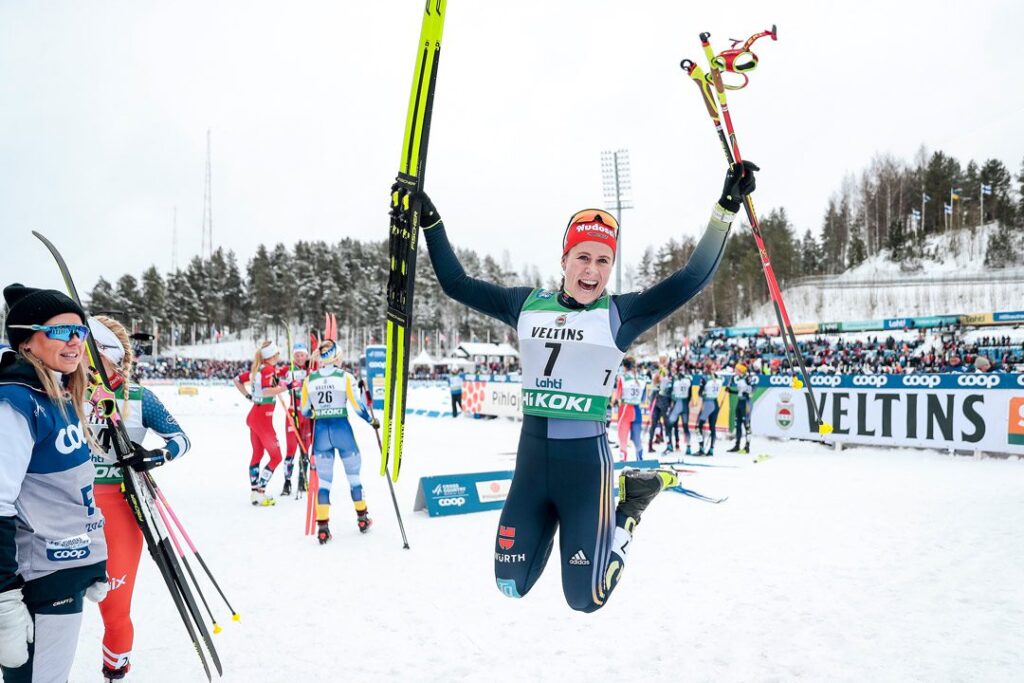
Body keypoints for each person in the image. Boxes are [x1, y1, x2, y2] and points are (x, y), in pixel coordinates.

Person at [414, 159, 756, 611]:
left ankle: (632, 506)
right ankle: (559, 526)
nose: (592, 271)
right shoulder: (526, 304)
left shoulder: (620, 313)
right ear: (564, 260)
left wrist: (726, 206)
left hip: (585, 469)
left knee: (586, 598)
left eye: (603, 260)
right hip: (532, 465)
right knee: (509, 584)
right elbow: (455, 283)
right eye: (583, 257)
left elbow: (692, 278)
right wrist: (429, 220)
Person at [0, 284, 109, 681]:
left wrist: (92, 555)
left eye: (80, 332)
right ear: (26, 340)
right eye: (61, 332)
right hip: (37, 576)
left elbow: (71, 492)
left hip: (66, 568)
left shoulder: (60, 397)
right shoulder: (16, 402)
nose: (75, 341)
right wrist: (4, 596)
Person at [85, 316, 191, 682]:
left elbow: (181, 438)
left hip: (121, 508)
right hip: (68, 509)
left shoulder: (138, 397)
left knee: (114, 611)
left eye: (90, 350)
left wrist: (155, 456)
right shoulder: (62, 393)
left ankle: (114, 671)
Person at [301, 340, 378, 544]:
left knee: (324, 483)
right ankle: (362, 518)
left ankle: (323, 528)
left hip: (321, 434)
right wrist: (372, 420)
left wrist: (320, 410)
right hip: (342, 431)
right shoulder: (345, 377)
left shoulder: (309, 380)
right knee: (354, 477)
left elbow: (304, 411)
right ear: (335, 357)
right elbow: (358, 406)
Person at [233, 341, 287, 506]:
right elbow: (266, 389)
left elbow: (237, 380)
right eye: (277, 354)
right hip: (263, 418)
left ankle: (255, 493)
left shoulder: (260, 368)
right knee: (276, 457)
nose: (279, 356)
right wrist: (286, 387)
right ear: (273, 355)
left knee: (258, 454)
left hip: (255, 416)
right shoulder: (268, 369)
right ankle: (260, 491)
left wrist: (248, 396)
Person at [279, 344, 312, 496]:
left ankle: (302, 480)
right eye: (297, 355)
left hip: (307, 414)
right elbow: (274, 379)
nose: (299, 358)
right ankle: (287, 482)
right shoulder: (288, 369)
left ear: (307, 356)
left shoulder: (311, 369)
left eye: (302, 355)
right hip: (293, 413)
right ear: (293, 356)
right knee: (291, 449)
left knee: (305, 449)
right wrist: (285, 384)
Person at [612, 356, 645, 461]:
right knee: (636, 439)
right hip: (637, 410)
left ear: (625, 367)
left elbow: (617, 396)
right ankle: (640, 460)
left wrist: (613, 402)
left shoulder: (622, 378)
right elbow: (644, 399)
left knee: (623, 439)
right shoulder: (642, 378)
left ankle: (623, 460)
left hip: (626, 409)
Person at [695, 361, 724, 456]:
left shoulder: (704, 378)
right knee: (712, 427)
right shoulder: (719, 378)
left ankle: (701, 448)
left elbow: (700, 393)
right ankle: (711, 449)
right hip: (715, 403)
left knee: (698, 427)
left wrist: (703, 393)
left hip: (708, 403)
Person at [726, 361, 754, 454]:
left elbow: (752, 388)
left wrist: (748, 393)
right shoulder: (738, 378)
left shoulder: (747, 378)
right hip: (739, 402)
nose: (735, 371)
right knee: (737, 425)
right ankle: (737, 445)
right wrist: (730, 391)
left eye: (736, 369)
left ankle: (747, 446)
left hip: (746, 403)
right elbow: (739, 392)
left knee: (746, 425)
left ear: (740, 370)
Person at [666, 362, 694, 455]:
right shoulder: (689, 378)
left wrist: (671, 403)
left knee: (669, 424)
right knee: (685, 427)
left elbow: (670, 392)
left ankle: (669, 445)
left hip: (678, 403)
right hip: (685, 404)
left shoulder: (675, 378)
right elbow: (690, 394)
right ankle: (688, 447)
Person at [647, 355, 672, 453]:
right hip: (661, 398)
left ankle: (650, 445)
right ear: (665, 361)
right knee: (666, 423)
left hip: (655, 398)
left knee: (654, 423)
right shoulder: (663, 370)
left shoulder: (657, 370)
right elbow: (662, 381)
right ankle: (669, 445)